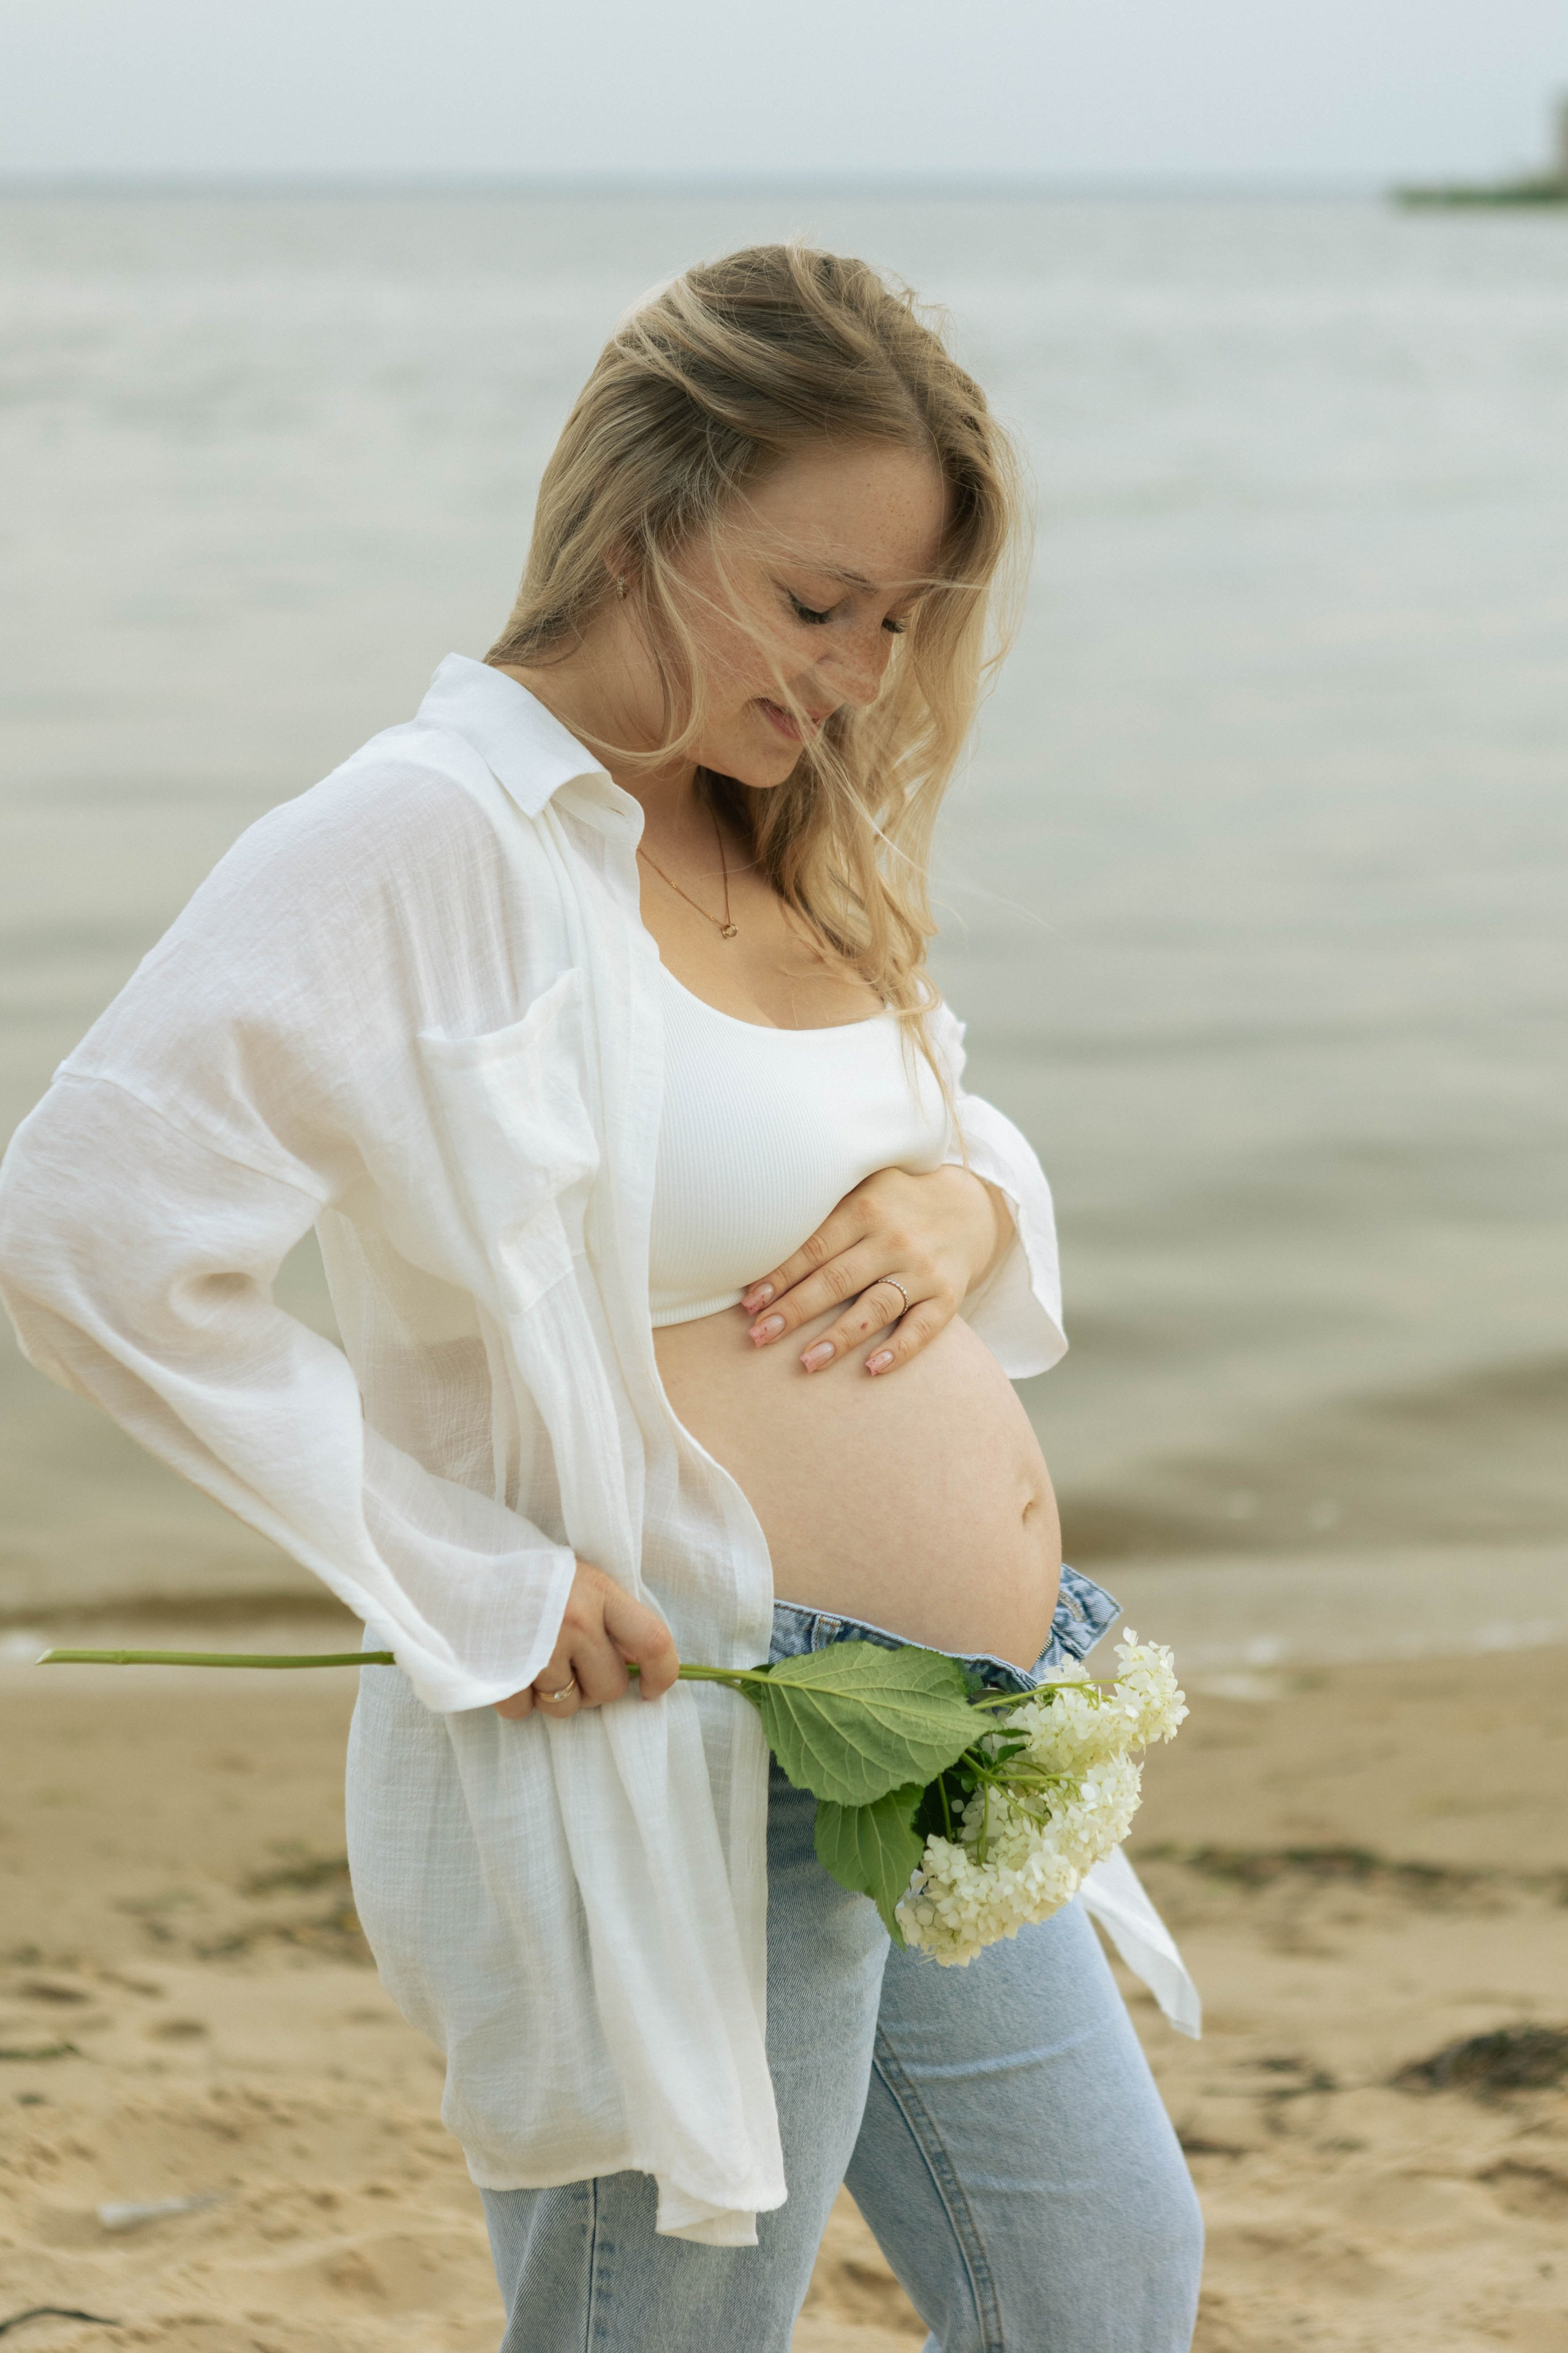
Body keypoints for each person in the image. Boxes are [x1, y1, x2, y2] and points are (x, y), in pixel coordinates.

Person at [0, 244, 1203, 2350]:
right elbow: (86, 1229)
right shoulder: (425, 837)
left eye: (898, 623)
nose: (859, 674)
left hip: (949, 1736)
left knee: (1101, 2274)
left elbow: (890, 1134)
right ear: (649, 510)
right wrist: (467, 1577)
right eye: (819, 602)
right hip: (689, 1731)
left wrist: (971, 1202)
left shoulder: (777, 825)